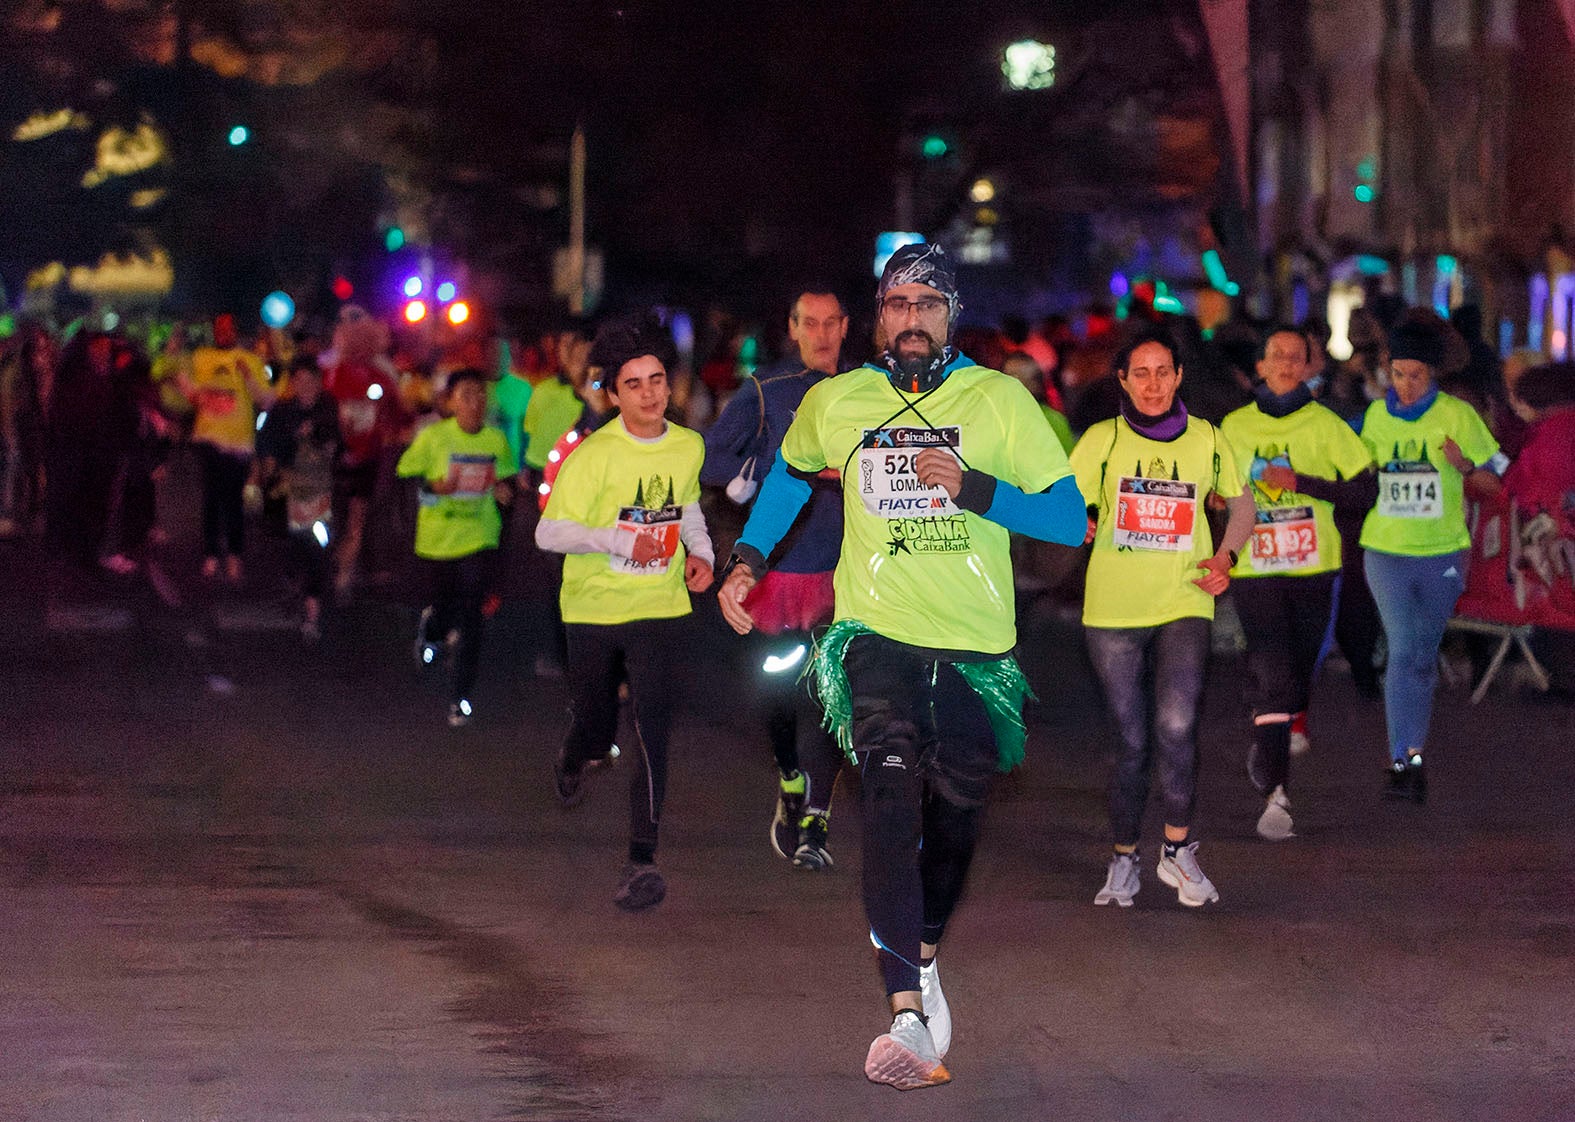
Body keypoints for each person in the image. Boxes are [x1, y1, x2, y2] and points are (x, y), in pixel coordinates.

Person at [717, 244, 1085, 1090]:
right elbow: (789, 479)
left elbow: (1069, 522)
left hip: (975, 650)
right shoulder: (839, 401)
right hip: (874, 635)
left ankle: (920, 958)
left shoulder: (999, 401)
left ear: (950, 316)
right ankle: (905, 1017)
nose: (910, 317)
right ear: (876, 318)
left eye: (927, 303)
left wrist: (978, 490)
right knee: (885, 794)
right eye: (895, 303)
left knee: (954, 823)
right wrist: (746, 559)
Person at [1070, 327, 1254, 908]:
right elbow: (1057, 501)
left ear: (1179, 377)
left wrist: (1226, 555)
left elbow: (1243, 504)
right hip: (1113, 605)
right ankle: (1124, 857)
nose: (1152, 384)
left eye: (1163, 372)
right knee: (1129, 740)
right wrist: (1075, 522)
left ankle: (1177, 849)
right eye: (1139, 373)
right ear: (1122, 380)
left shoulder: (1209, 440)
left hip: (1184, 599)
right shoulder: (1101, 441)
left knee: (1176, 727)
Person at [536, 314, 714, 912]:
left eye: (657, 380)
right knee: (595, 726)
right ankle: (573, 753)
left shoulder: (688, 444)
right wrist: (618, 541)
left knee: (651, 732)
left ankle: (642, 859)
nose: (649, 393)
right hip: (591, 609)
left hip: (660, 608)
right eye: (633, 384)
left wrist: (702, 552)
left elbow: (686, 507)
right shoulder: (593, 455)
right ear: (613, 394)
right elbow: (549, 532)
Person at [703, 287, 848, 870]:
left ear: (845, 327)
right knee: (778, 696)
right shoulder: (766, 390)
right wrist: (754, 473)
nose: (820, 334)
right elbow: (714, 457)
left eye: (830, 323)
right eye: (808, 323)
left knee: (839, 699)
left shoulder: (864, 388)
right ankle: (790, 776)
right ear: (792, 328)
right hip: (780, 573)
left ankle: (816, 817)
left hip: (849, 571)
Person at [1220, 326, 1376, 839]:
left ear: (1309, 368)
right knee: (1274, 669)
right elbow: (1208, 489)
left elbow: (1364, 492)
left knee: (1298, 672)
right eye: (1276, 357)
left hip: (1312, 569)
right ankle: (1277, 796)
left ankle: (1270, 724)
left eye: (1296, 357)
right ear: (1259, 368)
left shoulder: (1327, 425)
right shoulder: (1233, 427)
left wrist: (1301, 484)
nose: (1286, 364)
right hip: (1253, 568)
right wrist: (1215, 502)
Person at [1358, 320, 1507, 801]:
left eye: (1415, 375)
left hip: (1443, 553)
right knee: (1403, 649)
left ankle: (1411, 755)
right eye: (1397, 374)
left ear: (1433, 374)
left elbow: (1498, 477)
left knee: (1421, 655)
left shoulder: (1457, 414)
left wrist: (1463, 465)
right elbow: (1355, 474)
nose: (1405, 384)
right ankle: (1402, 759)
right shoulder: (1375, 419)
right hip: (1385, 551)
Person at [396, 368, 516, 726]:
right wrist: (435, 488)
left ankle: (460, 695)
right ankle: (432, 629)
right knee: (446, 607)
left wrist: (503, 492)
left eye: (480, 394)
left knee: (473, 615)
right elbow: (405, 478)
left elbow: (505, 482)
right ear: (449, 402)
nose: (475, 402)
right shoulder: (433, 438)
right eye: (465, 395)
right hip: (438, 540)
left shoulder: (496, 441)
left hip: (479, 537)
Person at [181, 314, 274, 582]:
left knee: (233, 502)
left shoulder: (251, 360)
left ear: (236, 331)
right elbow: (192, 396)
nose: (222, 333)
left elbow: (267, 401)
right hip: (208, 440)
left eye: (227, 328)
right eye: (218, 328)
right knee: (211, 500)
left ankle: (234, 555)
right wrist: (179, 379)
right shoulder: (201, 358)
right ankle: (211, 554)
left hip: (238, 444)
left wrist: (249, 378)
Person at [323, 306, 405, 599]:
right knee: (333, 518)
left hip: (367, 460)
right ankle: (336, 566)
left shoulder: (381, 374)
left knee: (357, 519)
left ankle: (344, 574)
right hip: (332, 461)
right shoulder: (329, 373)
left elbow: (399, 414)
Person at [258, 358, 341, 644]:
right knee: (293, 548)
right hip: (288, 494)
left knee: (317, 550)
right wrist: (266, 477)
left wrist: (318, 439)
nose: (306, 388)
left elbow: (335, 444)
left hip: (321, 495)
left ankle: (313, 610)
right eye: (300, 382)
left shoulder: (328, 410)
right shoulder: (282, 411)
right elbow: (268, 448)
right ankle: (297, 588)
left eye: (311, 382)